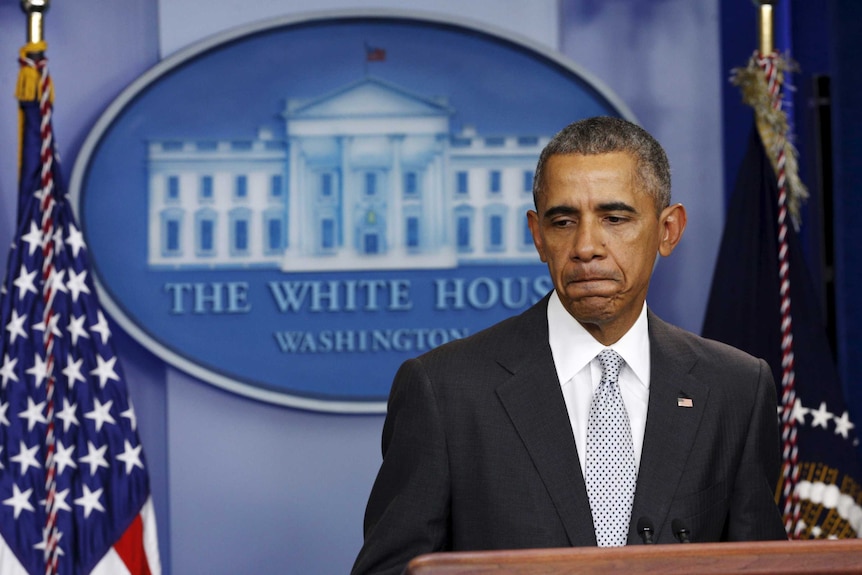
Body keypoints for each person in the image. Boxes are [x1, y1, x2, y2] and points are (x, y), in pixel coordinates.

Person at [351, 116, 787, 575]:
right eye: (564, 221)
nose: (586, 246)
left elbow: (760, 565)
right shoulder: (444, 390)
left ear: (668, 230)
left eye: (614, 218)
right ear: (538, 235)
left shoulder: (737, 388)